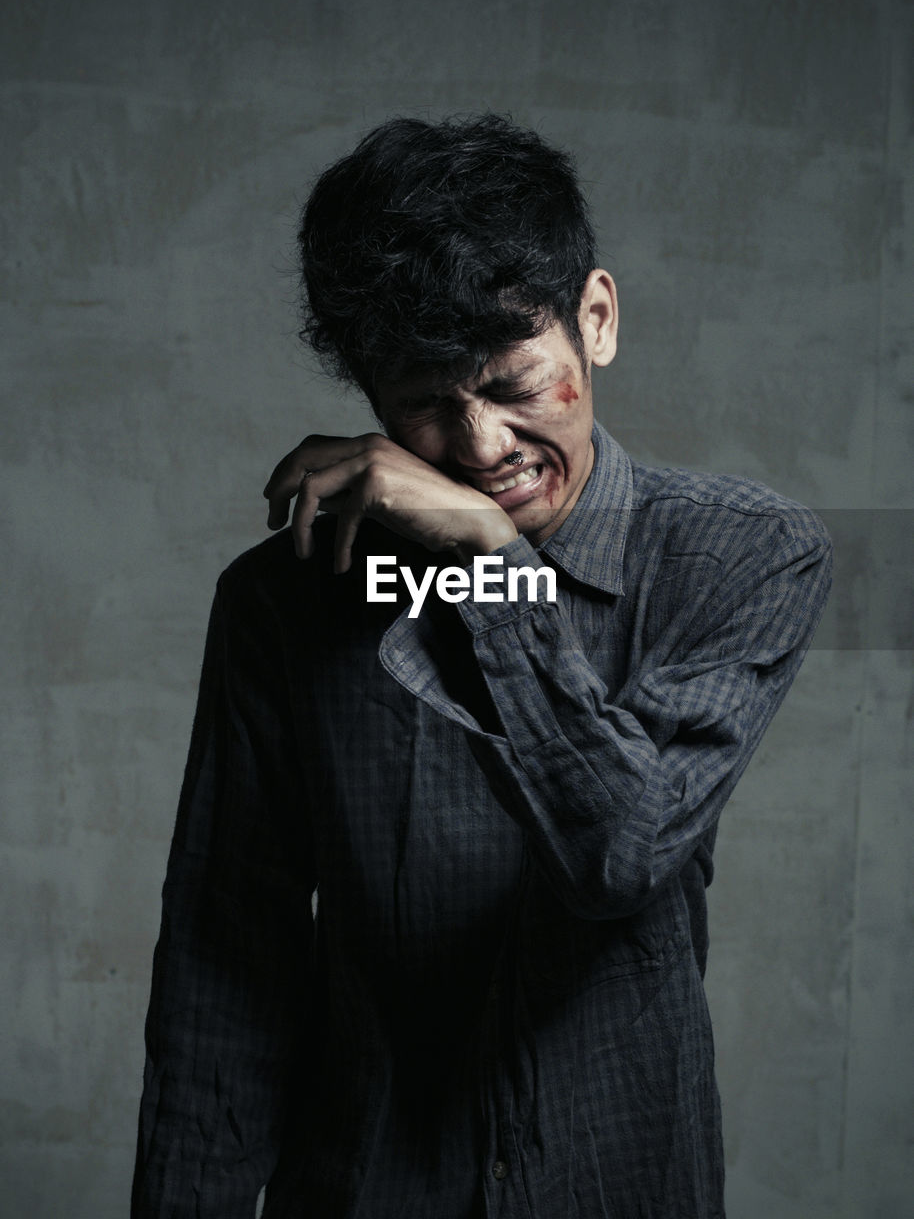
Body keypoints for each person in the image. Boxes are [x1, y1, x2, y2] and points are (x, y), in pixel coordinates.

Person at [132, 115, 832, 1219]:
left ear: (593, 320)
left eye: (511, 382)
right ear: (367, 395)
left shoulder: (741, 554)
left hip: (620, 1184)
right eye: (423, 402)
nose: (479, 446)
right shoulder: (282, 604)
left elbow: (620, 848)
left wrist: (492, 565)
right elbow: (226, 971)